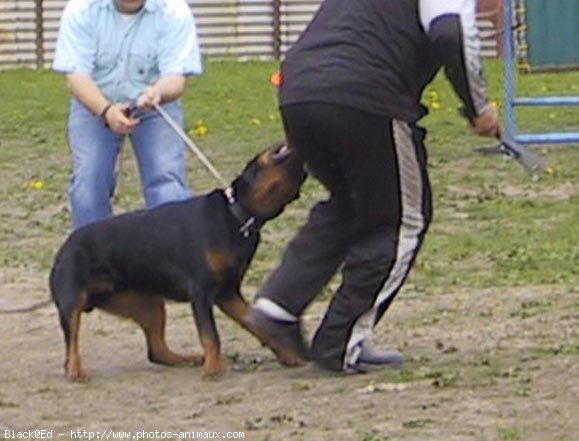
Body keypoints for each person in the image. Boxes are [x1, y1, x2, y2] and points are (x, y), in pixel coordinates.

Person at [249, 0, 500, 373]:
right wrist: (478, 108)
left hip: (299, 92)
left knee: (352, 204)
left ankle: (278, 307)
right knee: (401, 220)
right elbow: (450, 31)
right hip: (366, 96)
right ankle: (340, 341)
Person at [53, 0, 202, 229]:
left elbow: (176, 78)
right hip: (95, 102)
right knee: (88, 182)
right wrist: (106, 111)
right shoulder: (81, 9)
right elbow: (77, 77)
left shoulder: (174, 11)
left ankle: (173, 257)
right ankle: (92, 258)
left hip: (154, 105)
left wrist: (158, 92)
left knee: (166, 181)